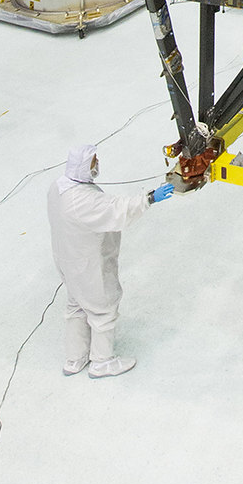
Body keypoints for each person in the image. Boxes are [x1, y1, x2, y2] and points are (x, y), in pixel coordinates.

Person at [46, 142, 174, 378]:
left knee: (76, 306)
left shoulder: (58, 187)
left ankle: (75, 359)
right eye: (94, 161)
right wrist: (150, 198)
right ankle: (101, 362)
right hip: (88, 264)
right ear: (84, 166)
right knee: (102, 309)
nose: (97, 165)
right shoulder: (83, 200)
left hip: (67, 261)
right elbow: (117, 210)